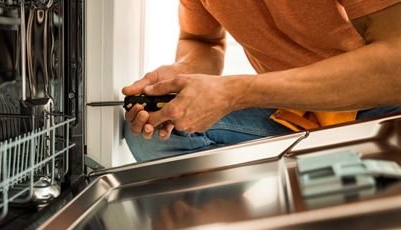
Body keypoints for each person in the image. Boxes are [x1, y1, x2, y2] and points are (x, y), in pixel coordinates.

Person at [123, 0, 401, 162]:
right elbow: (200, 40)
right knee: (154, 132)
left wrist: (237, 93)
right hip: (290, 112)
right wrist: (183, 71)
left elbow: (395, 66)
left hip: (382, 106)